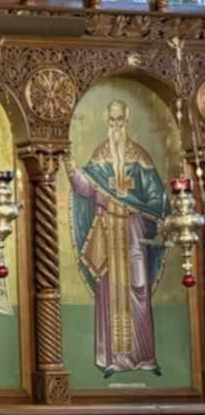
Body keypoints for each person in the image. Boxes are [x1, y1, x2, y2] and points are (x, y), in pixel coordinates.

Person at [67, 102, 167, 377]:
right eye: (112, 121)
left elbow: (156, 196)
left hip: (134, 233)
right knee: (108, 292)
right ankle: (112, 359)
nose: (115, 126)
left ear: (127, 119)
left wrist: (144, 209)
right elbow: (86, 188)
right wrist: (72, 169)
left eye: (120, 120)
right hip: (108, 232)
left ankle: (144, 357)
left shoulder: (140, 157)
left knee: (139, 288)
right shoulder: (100, 156)